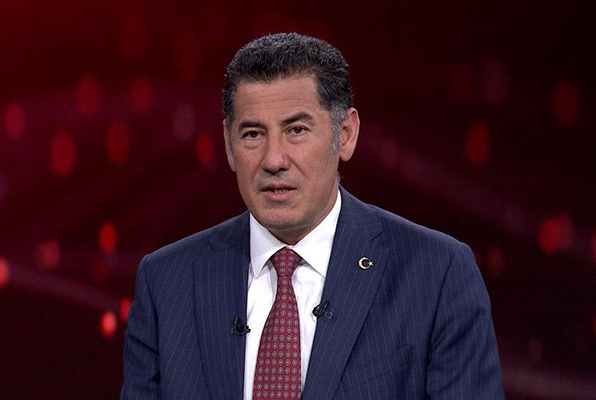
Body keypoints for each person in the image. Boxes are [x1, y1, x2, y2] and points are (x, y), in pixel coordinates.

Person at [121, 33, 504, 400]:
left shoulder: (436, 275)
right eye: (253, 134)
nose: (273, 160)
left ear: (346, 134)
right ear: (228, 145)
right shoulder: (166, 283)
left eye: (297, 130)